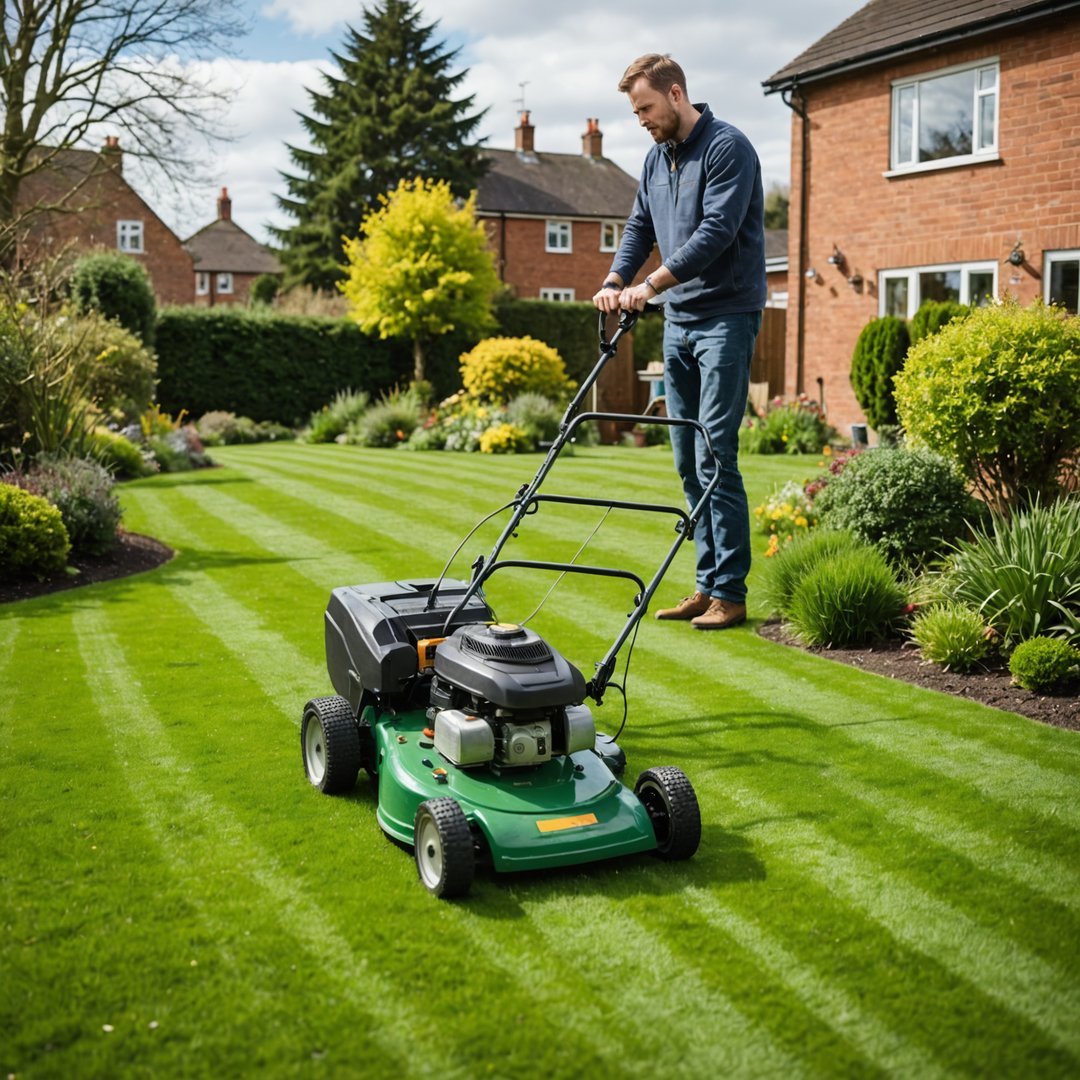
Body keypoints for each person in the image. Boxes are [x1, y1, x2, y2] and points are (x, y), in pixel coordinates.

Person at [593, 53, 766, 631]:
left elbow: (716, 232)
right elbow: (640, 227)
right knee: (686, 460)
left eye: (645, 107)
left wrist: (652, 284)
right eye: (635, 111)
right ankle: (705, 583)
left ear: (674, 93)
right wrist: (617, 279)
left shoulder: (727, 147)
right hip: (679, 321)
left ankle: (731, 594)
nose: (641, 119)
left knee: (716, 451)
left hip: (725, 316)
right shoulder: (653, 159)